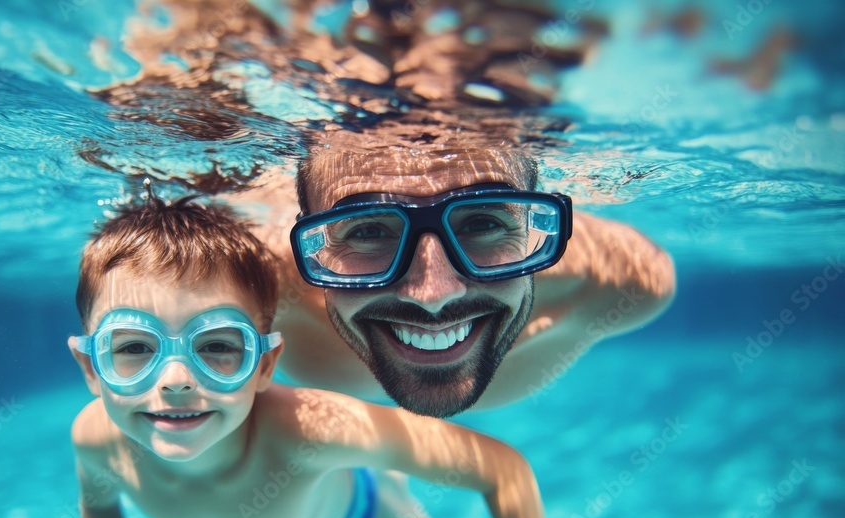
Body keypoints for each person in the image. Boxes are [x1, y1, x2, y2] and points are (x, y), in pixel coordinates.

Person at [67, 191, 570, 518]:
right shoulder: (95, 441)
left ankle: (385, 474)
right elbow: (100, 508)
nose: (175, 380)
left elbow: (500, 468)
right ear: (91, 367)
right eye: (133, 348)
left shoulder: (314, 432)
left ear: (265, 365)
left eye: (218, 346)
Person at [246, 119, 677, 418]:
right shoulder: (255, 281)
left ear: (535, 230)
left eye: (483, 223)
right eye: (370, 231)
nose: (434, 294)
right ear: (310, 244)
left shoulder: (625, 285)